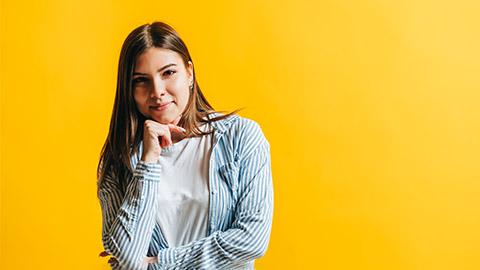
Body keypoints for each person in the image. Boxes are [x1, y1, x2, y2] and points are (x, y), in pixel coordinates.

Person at [96, 21, 274, 270]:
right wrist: (148, 162)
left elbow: (252, 240)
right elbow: (126, 257)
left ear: (189, 73)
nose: (157, 91)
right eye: (140, 80)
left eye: (168, 73)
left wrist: (158, 263)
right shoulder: (119, 160)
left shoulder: (240, 137)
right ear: (129, 89)